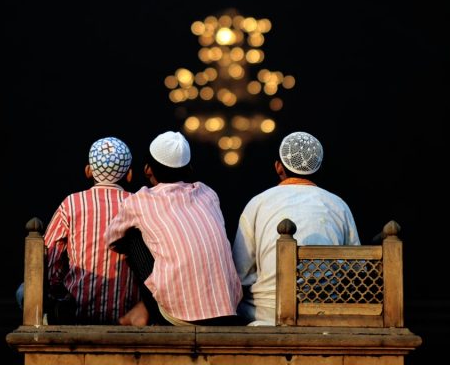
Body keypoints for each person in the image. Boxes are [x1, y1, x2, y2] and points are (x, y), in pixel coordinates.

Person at [105, 131, 244, 326]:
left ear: (147, 170)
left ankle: (148, 310)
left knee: (132, 238)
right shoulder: (208, 193)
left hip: (178, 317)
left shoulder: (140, 200)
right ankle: (144, 308)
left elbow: (112, 238)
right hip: (229, 309)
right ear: (189, 169)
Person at [231, 131, 361, 325]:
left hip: (267, 316)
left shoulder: (258, 203)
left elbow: (239, 272)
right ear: (317, 168)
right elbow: (355, 269)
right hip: (323, 315)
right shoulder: (338, 205)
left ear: (278, 167)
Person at [17, 136, 140, 324]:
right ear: (129, 174)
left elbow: (50, 263)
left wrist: (59, 291)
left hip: (77, 311)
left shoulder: (71, 204)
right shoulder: (140, 204)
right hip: (129, 314)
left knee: (22, 291)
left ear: (88, 171)